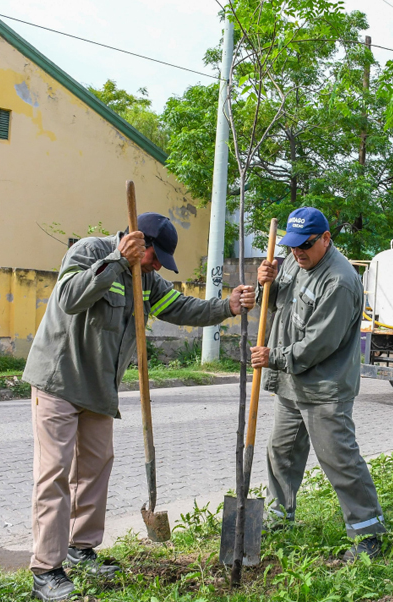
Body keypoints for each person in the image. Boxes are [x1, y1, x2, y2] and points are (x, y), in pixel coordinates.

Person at [22, 213, 255, 602]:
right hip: (59, 382)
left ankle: (81, 549)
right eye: (155, 255)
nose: (158, 265)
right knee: (55, 474)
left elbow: (180, 308)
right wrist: (115, 259)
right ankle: (46, 570)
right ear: (138, 241)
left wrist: (226, 306)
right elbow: (68, 298)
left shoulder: (146, 279)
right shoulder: (90, 251)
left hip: (98, 390)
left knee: (95, 468)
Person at [250, 207, 386, 562]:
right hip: (293, 383)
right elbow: (280, 299)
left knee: (338, 460)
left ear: (326, 238)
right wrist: (268, 281)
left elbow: (317, 344)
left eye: (306, 245)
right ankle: (279, 518)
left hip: (324, 388)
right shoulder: (296, 261)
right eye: (292, 246)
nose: (298, 253)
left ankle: (368, 533)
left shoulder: (339, 282)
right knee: (281, 451)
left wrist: (274, 357)